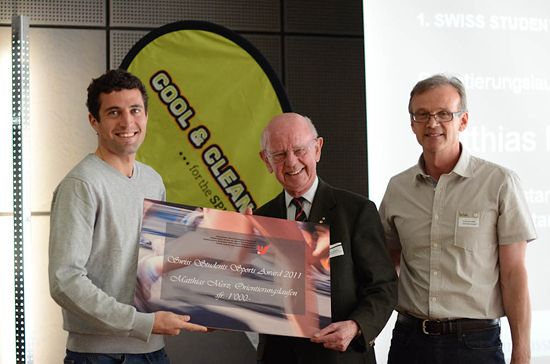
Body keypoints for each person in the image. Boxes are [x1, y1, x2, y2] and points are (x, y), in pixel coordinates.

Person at [48, 69, 207, 364]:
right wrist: (142, 323)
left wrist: (206, 302)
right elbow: (65, 281)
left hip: (153, 351)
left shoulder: (152, 180)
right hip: (100, 356)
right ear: (93, 121)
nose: (127, 122)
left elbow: (159, 263)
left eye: (135, 110)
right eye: (113, 112)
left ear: (146, 116)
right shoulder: (81, 185)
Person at [379, 74, 537, 364]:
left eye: (443, 114)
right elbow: (386, 265)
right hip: (409, 342)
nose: (432, 123)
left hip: (475, 345)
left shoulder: (499, 183)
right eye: (422, 115)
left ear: (463, 121)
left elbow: (514, 275)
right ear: (412, 123)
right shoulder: (398, 188)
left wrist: (522, 353)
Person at [254, 112, 397, 364]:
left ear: (317, 149)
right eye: (279, 154)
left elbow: (383, 286)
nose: (291, 162)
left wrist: (356, 326)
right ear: (266, 161)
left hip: (342, 357)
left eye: (299, 150)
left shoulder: (356, 211)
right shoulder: (258, 219)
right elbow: (249, 293)